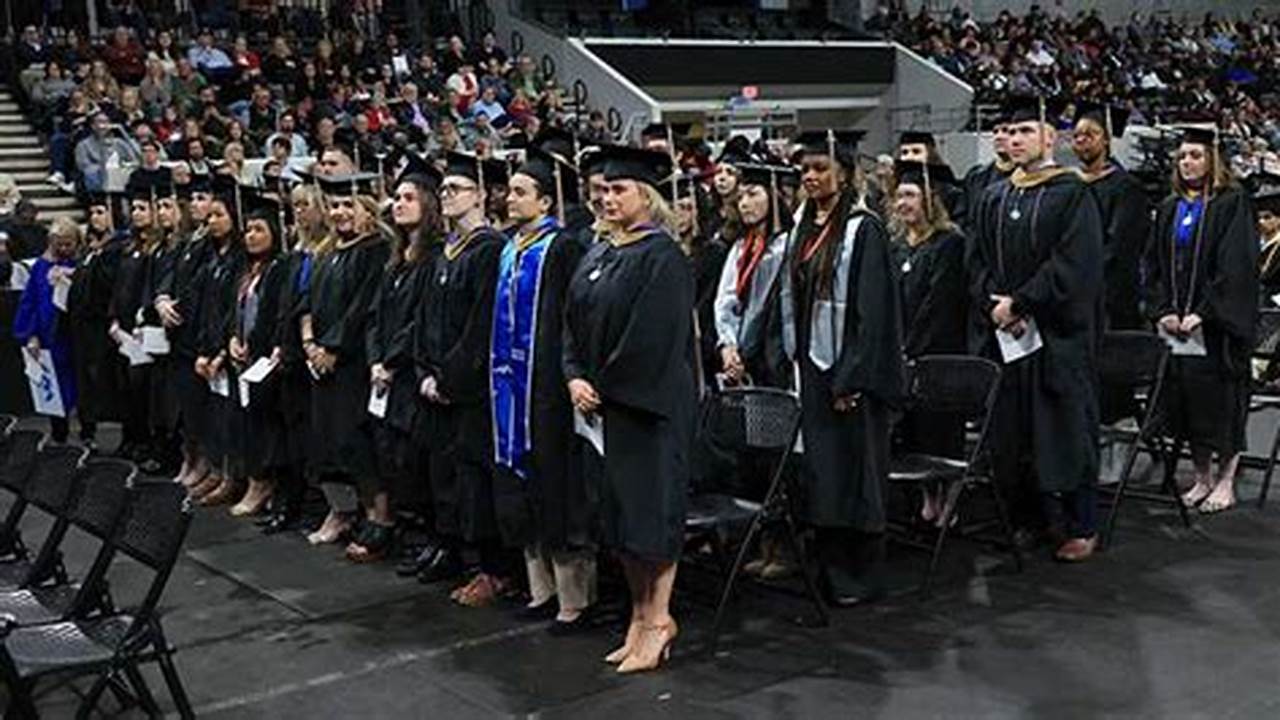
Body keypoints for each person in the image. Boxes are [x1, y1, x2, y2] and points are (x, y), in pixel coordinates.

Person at [563, 144, 696, 673]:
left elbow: (651, 339)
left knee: (650, 515)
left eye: (620, 189)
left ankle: (659, 618)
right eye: (604, 190)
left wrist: (603, 386)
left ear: (647, 195)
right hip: (603, 409)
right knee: (619, 519)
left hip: (647, 409)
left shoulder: (663, 257)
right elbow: (568, 322)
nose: (607, 198)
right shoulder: (600, 252)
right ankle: (638, 617)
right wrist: (573, 375)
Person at [967, 96, 1104, 562]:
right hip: (1008, 336)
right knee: (1015, 433)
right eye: (1011, 131)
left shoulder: (1072, 193)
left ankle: (1082, 524)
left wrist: (1022, 301)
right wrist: (995, 304)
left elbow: (1074, 264)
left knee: (1065, 428)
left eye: (1027, 131)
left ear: (1049, 138)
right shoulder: (994, 195)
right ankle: (1029, 518)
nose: (1016, 139)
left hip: (1058, 336)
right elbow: (976, 260)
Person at [780, 130, 904, 605]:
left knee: (856, 471)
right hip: (813, 370)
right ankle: (827, 567)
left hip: (852, 376)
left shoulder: (862, 229)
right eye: (805, 170)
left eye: (820, 169)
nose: (810, 177)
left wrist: (852, 375)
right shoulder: (803, 227)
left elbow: (874, 312)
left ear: (845, 174)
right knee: (823, 471)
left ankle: (860, 574)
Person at [490, 147, 593, 631]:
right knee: (523, 483)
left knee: (557, 487)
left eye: (520, 192)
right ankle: (541, 589)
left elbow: (573, 319)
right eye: (509, 191)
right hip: (511, 386)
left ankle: (575, 598)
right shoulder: (510, 248)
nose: (509, 199)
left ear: (547, 201)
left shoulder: (562, 248)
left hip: (549, 387)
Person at [1146, 127, 1259, 515]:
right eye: (1181, 156)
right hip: (1178, 329)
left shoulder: (1232, 203)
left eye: (1195, 155)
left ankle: (1226, 480)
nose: (1187, 162)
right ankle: (1201, 477)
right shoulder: (1169, 207)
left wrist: (1204, 312)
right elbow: (1152, 265)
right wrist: (1163, 310)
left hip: (1217, 329)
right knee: (1187, 401)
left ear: (1213, 159)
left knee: (1223, 403)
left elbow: (1236, 266)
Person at [410, 152, 505, 592]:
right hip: (436, 387)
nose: (447, 195)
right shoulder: (445, 253)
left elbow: (480, 327)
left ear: (480, 195)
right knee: (444, 476)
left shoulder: (489, 250)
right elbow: (423, 318)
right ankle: (453, 551)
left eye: (457, 188)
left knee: (476, 480)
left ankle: (492, 569)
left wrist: (449, 380)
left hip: (471, 391)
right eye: (444, 189)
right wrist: (424, 373)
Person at [350, 168, 442, 562]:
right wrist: (375, 360)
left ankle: (431, 536)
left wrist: (390, 361)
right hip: (385, 376)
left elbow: (420, 320)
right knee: (389, 456)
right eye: (398, 197)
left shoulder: (434, 258)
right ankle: (405, 529)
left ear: (429, 204)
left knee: (416, 458)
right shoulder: (395, 260)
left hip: (410, 373)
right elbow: (374, 316)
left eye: (409, 198)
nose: (399, 204)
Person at [302, 173, 391, 545]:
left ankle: (378, 515)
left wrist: (333, 348)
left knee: (357, 441)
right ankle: (342, 511)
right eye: (334, 205)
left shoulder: (376, 250)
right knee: (328, 442)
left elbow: (363, 307)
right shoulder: (326, 252)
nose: (339, 212)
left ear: (367, 210)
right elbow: (306, 301)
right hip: (320, 362)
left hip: (351, 364)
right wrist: (309, 341)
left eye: (347, 205)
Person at [888, 160, 969, 523]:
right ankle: (926, 498)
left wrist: (911, 348)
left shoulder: (949, 243)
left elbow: (939, 305)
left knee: (940, 431)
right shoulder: (895, 247)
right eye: (898, 196)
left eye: (910, 195)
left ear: (929, 199)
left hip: (939, 354)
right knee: (913, 432)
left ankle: (950, 498)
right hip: (903, 355)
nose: (902, 203)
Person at [226, 192, 290, 518]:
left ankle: (264, 483)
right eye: (248, 230)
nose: (250, 236)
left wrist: (261, 346)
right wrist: (232, 339)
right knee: (247, 423)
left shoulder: (279, 269)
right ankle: (256, 482)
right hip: (245, 360)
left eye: (259, 230)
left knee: (267, 426)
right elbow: (235, 311)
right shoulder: (247, 270)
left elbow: (277, 314)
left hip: (267, 360)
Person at [155, 174, 216, 490]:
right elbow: (170, 274)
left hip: (195, 331)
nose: (194, 204)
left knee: (197, 404)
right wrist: (162, 299)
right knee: (182, 403)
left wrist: (176, 307)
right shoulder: (188, 240)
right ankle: (189, 457)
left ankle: (203, 460)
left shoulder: (211, 244)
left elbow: (200, 287)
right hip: (177, 333)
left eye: (202, 198)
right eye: (192, 199)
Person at [713, 162, 796, 388]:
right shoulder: (740, 248)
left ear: (773, 196)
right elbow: (726, 300)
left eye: (752, 194)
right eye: (740, 197)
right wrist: (728, 346)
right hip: (743, 360)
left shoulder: (789, 246)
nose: (744, 203)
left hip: (779, 357)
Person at [1071, 102, 1148, 331]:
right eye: (1077, 135)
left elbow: (1120, 246)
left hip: (1111, 295)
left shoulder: (1126, 187)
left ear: (1106, 139)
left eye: (1090, 134)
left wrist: (1082, 274)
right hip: (1072, 292)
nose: (1082, 140)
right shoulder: (1068, 184)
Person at [13, 219, 80, 443]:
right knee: (54, 386)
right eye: (59, 244)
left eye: (68, 244)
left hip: (76, 333)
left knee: (81, 385)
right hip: (50, 335)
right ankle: (59, 434)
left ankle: (88, 433)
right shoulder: (40, 267)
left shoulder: (82, 264)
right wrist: (30, 335)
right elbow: (29, 303)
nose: (63, 249)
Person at [66, 196, 125, 448]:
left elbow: (110, 284)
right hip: (82, 325)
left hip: (104, 324)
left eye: (100, 212)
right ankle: (87, 430)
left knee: (106, 379)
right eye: (92, 213)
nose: (95, 218)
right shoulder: (89, 249)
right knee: (86, 380)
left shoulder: (118, 247)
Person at [961, 120, 1015, 236]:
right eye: (995, 131)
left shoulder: (1028, 177)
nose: (998, 136)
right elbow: (965, 217)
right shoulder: (976, 177)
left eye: (1006, 130)